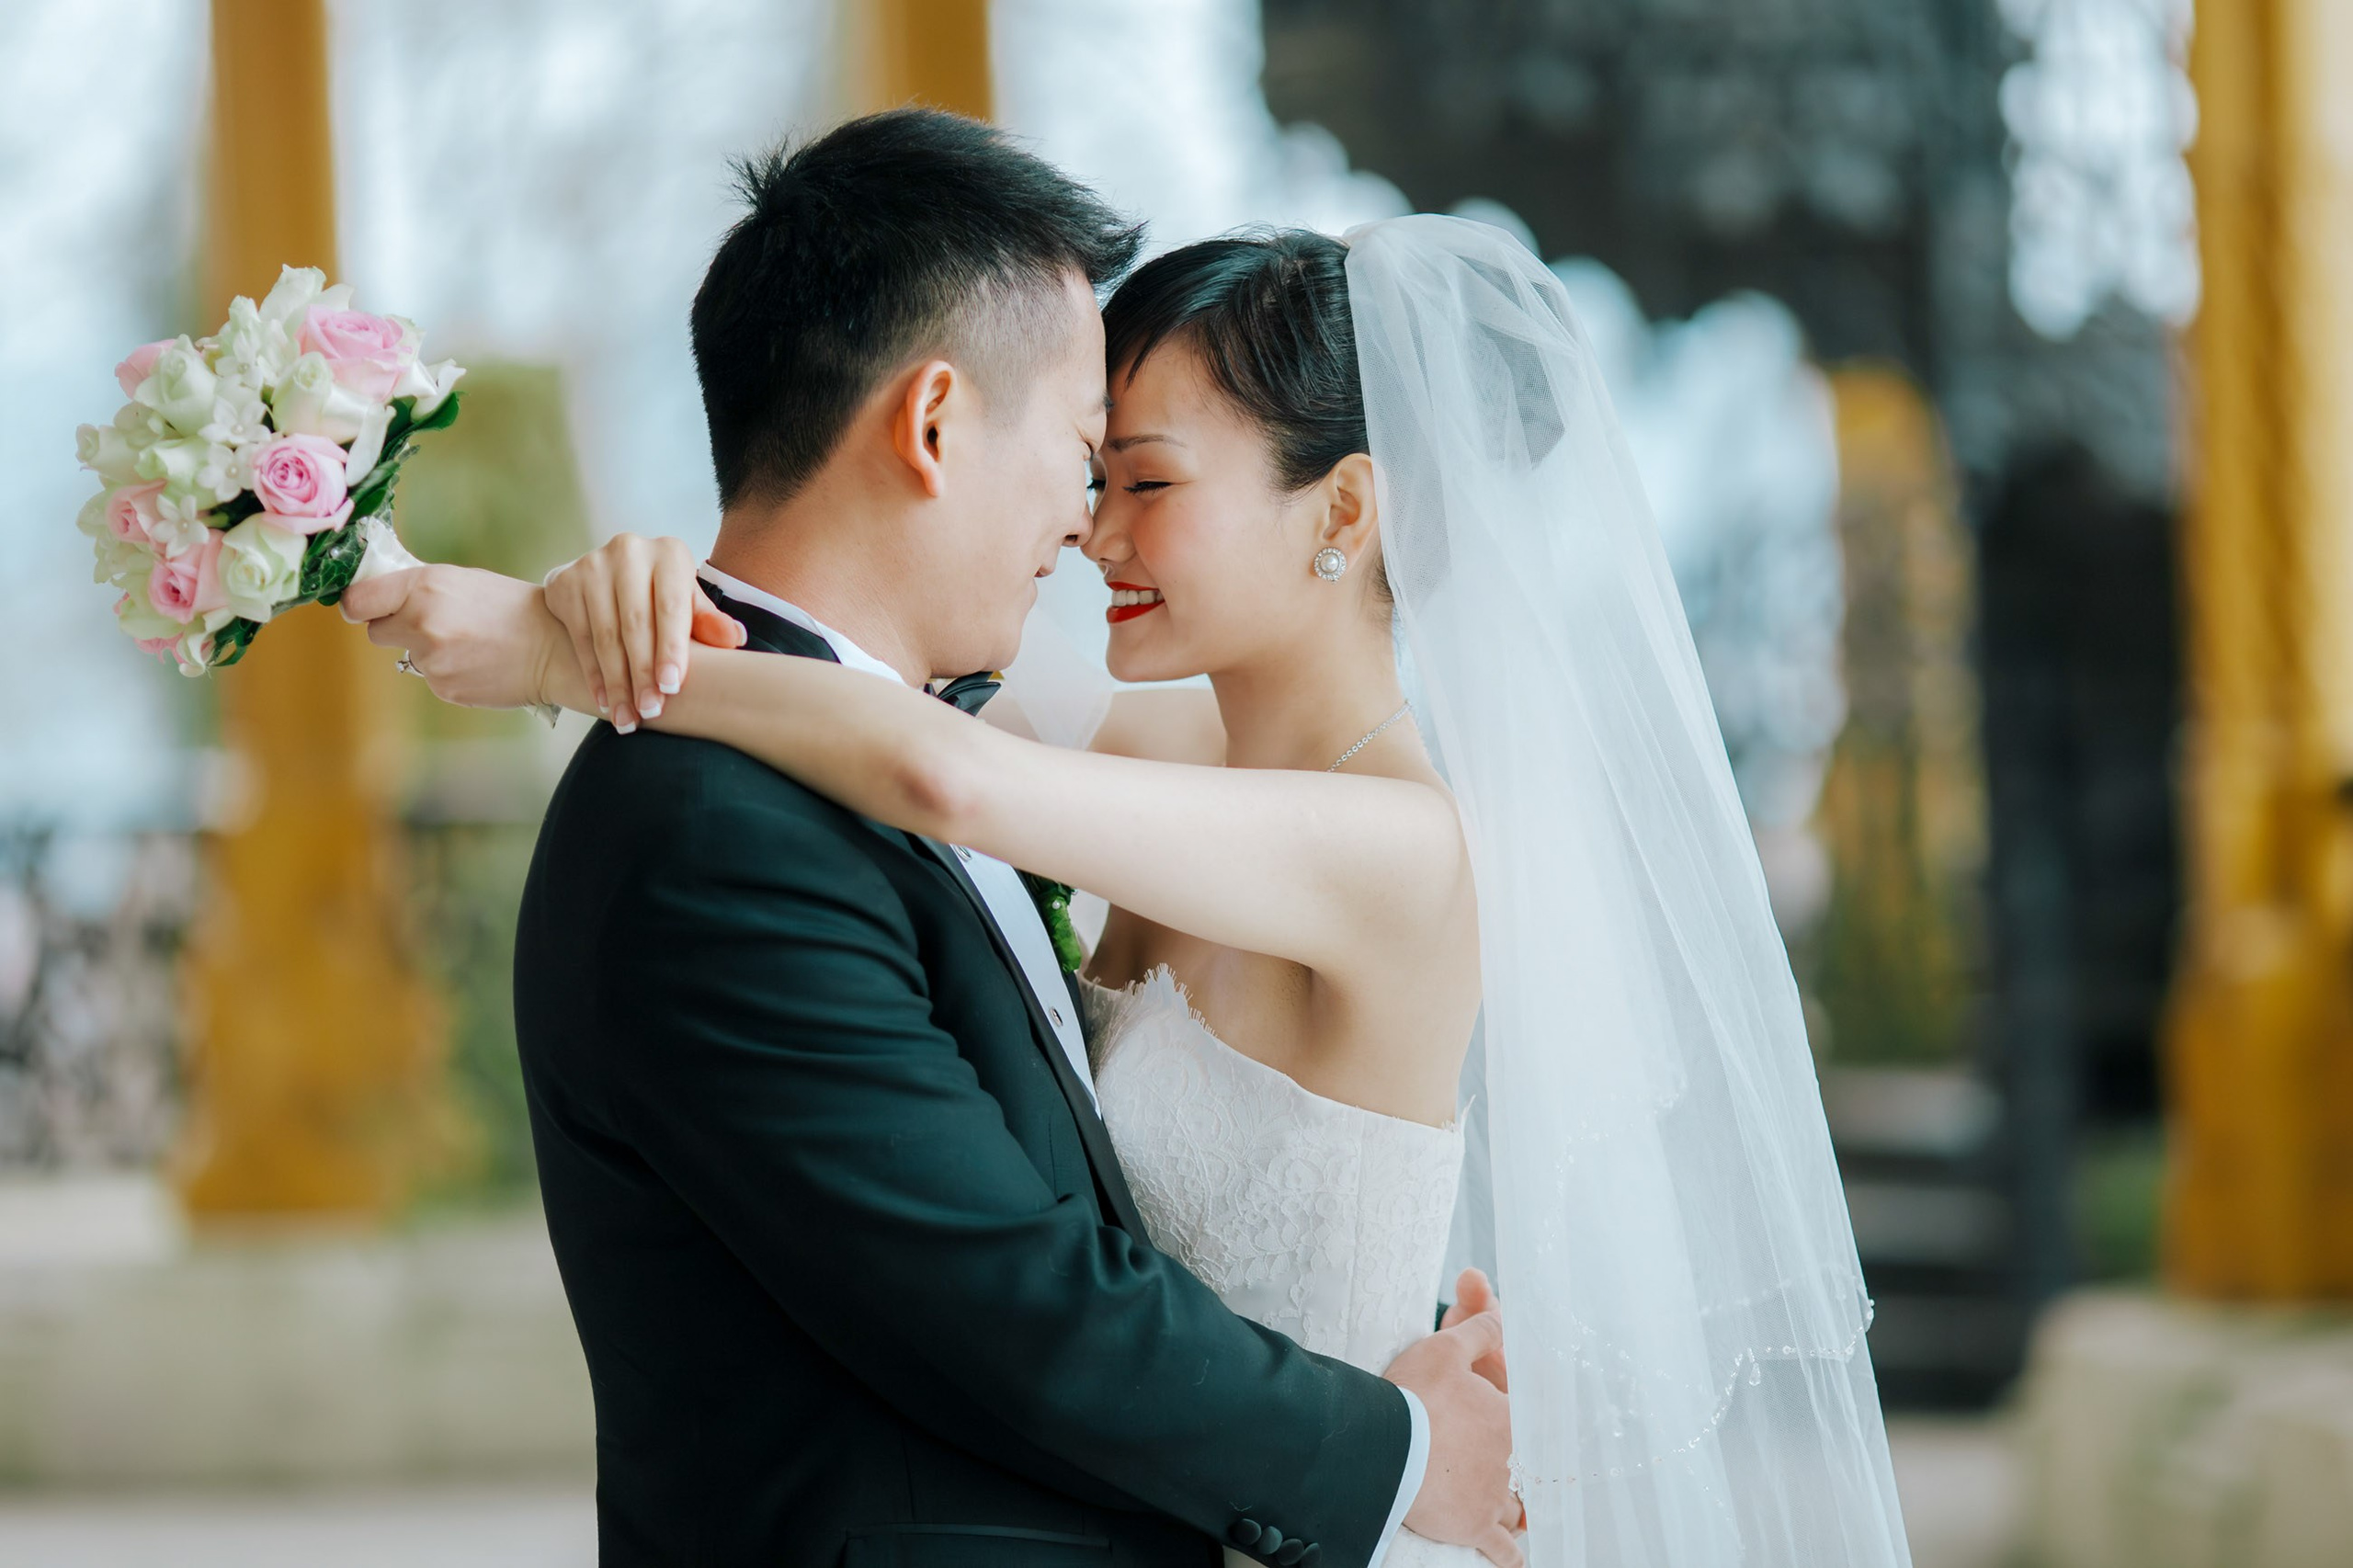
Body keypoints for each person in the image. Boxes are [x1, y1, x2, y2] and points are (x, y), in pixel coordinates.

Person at [353, 128, 1913, 1568]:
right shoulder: (1136, 746)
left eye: (1143, 480)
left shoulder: (1397, 848)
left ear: (1344, 513)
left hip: (1308, 1507)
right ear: (940, 419)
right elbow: (870, 690)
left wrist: (574, 654)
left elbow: (932, 765)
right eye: (1088, 470)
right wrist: (622, 583)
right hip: (1252, 1484)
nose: (1088, 532)